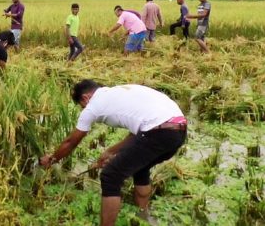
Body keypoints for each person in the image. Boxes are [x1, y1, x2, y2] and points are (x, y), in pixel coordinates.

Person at [40, 80, 187, 226]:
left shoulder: (92, 106)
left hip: (158, 131)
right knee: (140, 169)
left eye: (81, 106)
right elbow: (139, 133)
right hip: (178, 130)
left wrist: (52, 159)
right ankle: (143, 215)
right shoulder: (119, 92)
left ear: (86, 98)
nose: (83, 109)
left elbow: (71, 142)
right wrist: (110, 151)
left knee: (110, 175)